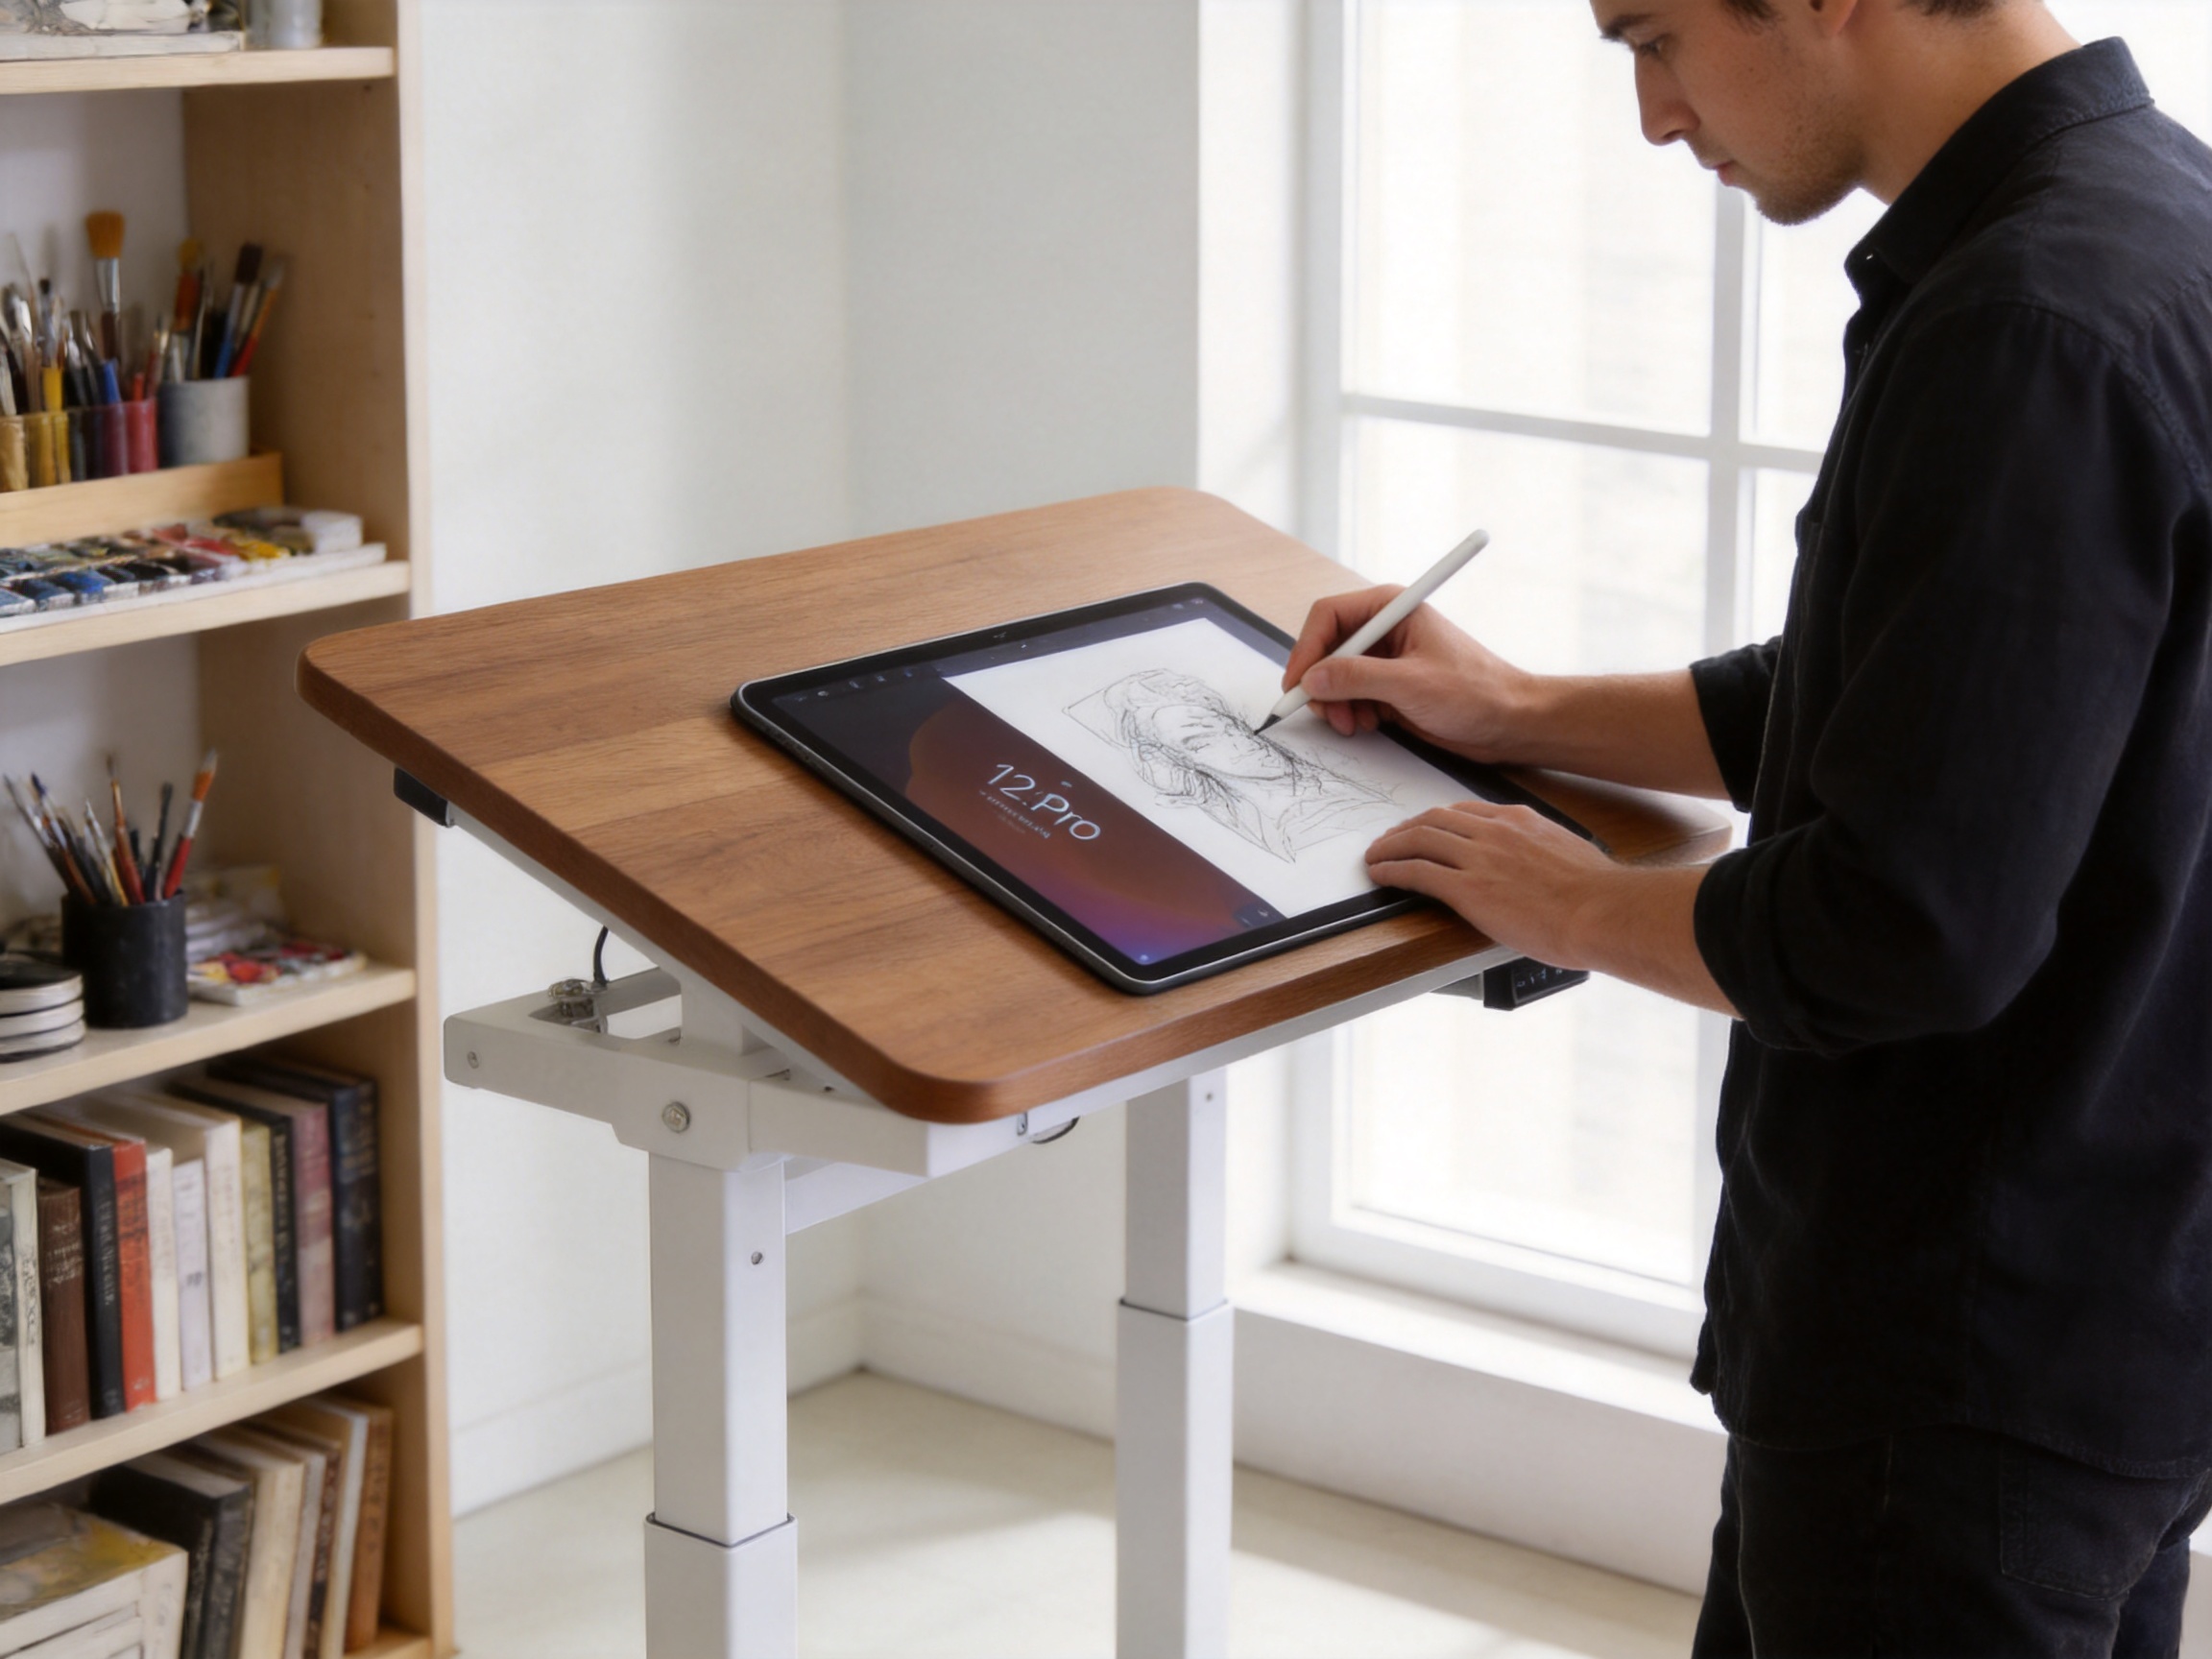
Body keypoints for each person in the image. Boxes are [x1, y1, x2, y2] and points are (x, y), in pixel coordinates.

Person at [1281, 0, 2212, 1651]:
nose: (1654, 114)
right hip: (2126, 1294)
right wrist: (1515, 710)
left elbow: (1905, 923)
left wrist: (1569, 901)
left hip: (1956, 1352)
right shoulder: (2159, 216)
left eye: (1655, 37)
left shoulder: (2024, 323)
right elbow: (1941, 707)